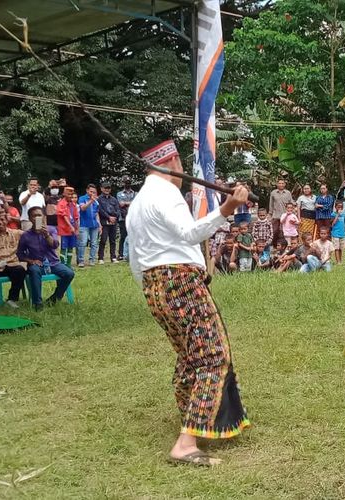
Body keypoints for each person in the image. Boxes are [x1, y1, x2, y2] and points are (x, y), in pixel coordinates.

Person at [126, 139, 250, 466]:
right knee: (212, 356)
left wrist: (153, 287)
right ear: (173, 163)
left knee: (189, 356)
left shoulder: (138, 202)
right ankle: (186, 442)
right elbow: (189, 233)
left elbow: (135, 259)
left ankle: (194, 420)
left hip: (155, 285)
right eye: (180, 164)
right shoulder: (165, 193)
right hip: (179, 281)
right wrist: (227, 209)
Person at [18, 207, 75, 310]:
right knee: (34, 271)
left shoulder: (51, 229)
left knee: (69, 273)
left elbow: (55, 245)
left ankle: (55, 298)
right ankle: (37, 304)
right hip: (37, 264)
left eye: (39, 215)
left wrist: (47, 235)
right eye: (34, 216)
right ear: (30, 219)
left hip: (53, 263)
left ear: (43, 217)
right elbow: (20, 254)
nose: (37, 218)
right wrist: (31, 261)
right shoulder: (25, 235)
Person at [77, 184, 101, 267]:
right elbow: (83, 208)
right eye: (91, 191)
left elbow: (96, 213)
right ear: (87, 191)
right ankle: (81, 261)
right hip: (84, 224)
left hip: (94, 224)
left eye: (94, 192)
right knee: (83, 242)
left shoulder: (96, 201)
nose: (92, 193)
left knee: (94, 243)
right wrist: (91, 201)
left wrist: (100, 224)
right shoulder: (82, 198)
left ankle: (92, 260)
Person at [97, 181, 121, 264]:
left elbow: (118, 209)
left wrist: (114, 217)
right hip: (104, 221)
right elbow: (100, 210)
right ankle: (100, 258)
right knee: (103, 240)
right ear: (101, 189)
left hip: (113, 222)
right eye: (105, 188)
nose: (107, 189)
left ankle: (113, 257)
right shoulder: (99, 199)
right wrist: (108, 217)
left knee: (113, 240)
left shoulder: (114, 199)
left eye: (108, 188)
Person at [57, 186, 79, 266]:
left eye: (71, 194)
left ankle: (69, 264)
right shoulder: (61, 204)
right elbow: (64, 216)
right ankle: (63, 264)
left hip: (72, 230)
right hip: (64, 230)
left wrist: (76, 229)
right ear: (64, 194)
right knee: (64, 247)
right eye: (68, 194)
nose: (70, 196)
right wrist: (71, 226)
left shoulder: (73, 205)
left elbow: (76, 217)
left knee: (71, 247)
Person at [268, 179, 293, 247]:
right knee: (274, 231)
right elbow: (271, 204)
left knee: (283, 232)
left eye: (282, 183)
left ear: (285, 184)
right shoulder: (273, 193)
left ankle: (283, 246)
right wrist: (270, 214)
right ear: (277, 184)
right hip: (276, 215)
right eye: (279, 183)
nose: (281, 185)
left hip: (285, 216)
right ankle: (274, 245)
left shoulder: (288, 193)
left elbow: (291, 203)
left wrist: (292, 213)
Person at [116, 177, 136, 260]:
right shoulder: (119, 193)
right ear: (123, 183)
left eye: (129, 182)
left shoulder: (135, 193)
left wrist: (126, 203)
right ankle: (121, 254)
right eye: (126, 182)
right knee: (123, 236)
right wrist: (130, 203)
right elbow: (120, 204)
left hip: (133, 218)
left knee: (134, 236)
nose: (127, 184)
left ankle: (132, 254)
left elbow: (136, 203)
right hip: (123, 218)